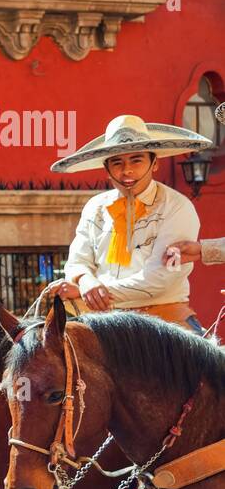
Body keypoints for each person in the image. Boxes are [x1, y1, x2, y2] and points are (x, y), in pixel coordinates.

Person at [48, 114, 210, 332]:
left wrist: (97, 291)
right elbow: (77, 262)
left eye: (136, 160)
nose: (127, 171)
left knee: (209, 365)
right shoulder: (95, 207)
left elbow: (161, 279)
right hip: (102, 323)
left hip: (164, 322)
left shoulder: (178, 207)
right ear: (107, 169)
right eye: (117, 162)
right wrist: (86, 281)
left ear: (154, 163)